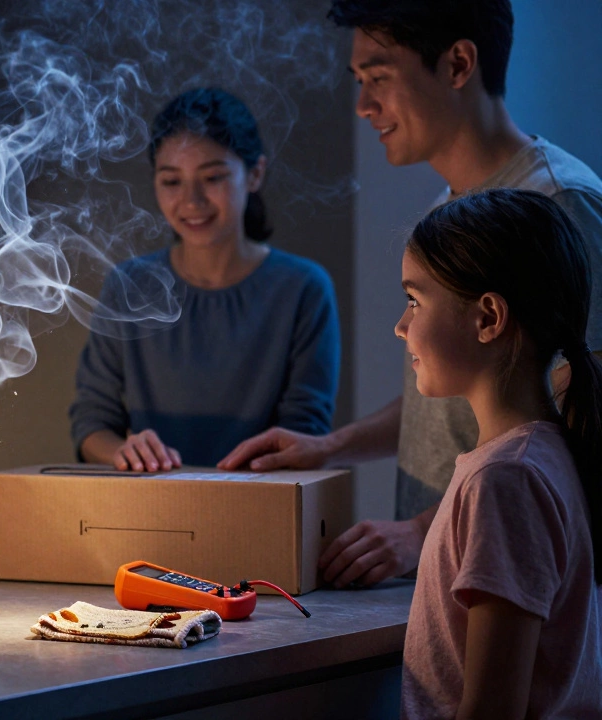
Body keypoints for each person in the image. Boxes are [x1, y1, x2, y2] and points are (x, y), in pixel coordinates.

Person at [219, 0, 602, 588]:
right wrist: (331, 446)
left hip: (503, 572)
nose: (364, 105)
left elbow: (584, 412)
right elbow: (454, 389)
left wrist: (425, 529)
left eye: (378, 77)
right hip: (454, 565)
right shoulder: (453, 213)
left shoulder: (557, 205)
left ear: (457, 64)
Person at [393, 188, 601, 718]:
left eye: (415, 301)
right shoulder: (539, 459)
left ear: (488, 317)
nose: (400, 326)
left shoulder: (507, 480)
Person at [70, 87, 340, 470]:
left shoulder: (302, 289)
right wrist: (124, 452)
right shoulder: (128, 285)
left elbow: (303, 432)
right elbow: (92, 422)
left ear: (255, 174)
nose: (192, 201)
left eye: (212, 177)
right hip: (146, 509)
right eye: (171, 181)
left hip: (259, 506)